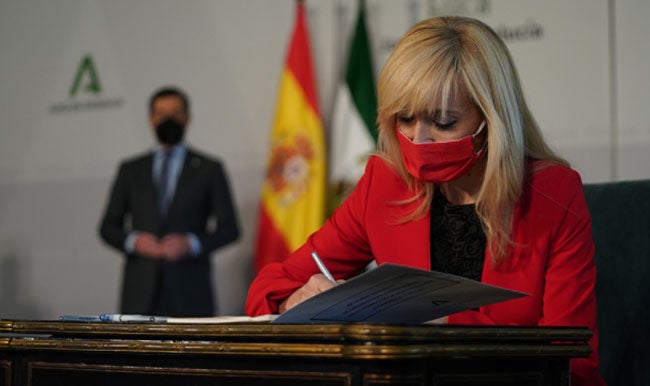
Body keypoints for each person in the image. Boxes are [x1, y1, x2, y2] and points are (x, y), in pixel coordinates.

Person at [246, 17, 605, 385]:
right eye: (404, 118)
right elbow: (268, 288)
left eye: (444, 122)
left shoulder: (553, 193)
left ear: (492, 120)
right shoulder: (385, 184)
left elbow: (573, 357)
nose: (419, 139)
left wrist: (436, 320)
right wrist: (297, 301)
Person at [99, 86, 240, 317]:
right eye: (161, 114)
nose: (168, 120)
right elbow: (108, 227)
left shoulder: (209, 169)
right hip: (139, 294)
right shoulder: (131, 170)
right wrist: (135, 241)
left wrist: (191, 244)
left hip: (191, 292)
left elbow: (230, 229)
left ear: (187, 118)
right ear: (151, 119)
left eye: (175, 113)